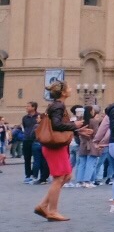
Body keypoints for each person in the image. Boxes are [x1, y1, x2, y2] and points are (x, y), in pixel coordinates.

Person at [31, 83, 81, 222]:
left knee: (66, 176)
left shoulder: (56, 105)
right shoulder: (59, 106)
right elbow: (56, 125)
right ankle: (52, 211)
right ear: (63, 93)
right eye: (68, 88)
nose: (71, 89)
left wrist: (78, 130)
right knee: (59, 178)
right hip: (54, 147)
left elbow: (58, 125)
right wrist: (74, 125)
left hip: (57, 146)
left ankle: (43, 205)